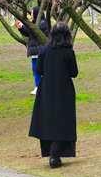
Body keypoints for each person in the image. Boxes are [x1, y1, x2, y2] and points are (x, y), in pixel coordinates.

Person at [28, 22, 78, 168]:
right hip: (64, 91)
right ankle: (56, 154)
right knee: (63, 121)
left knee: (48, 121)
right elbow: (74, 72)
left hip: (46, 90)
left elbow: (39, 69)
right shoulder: (68, 51)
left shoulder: (44, 50)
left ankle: (51, 153)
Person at [16, 6, 49, 95]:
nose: (31, 15)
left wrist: (23, 26)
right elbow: (28, 32)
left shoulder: (42, 23)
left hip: (39, 51)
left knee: (37, 70)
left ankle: (39, 87)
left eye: (32, 13)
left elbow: (32, 31)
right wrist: (21, 28)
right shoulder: (37, 23)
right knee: (36, 70)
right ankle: (39, 87)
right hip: (36, 51)